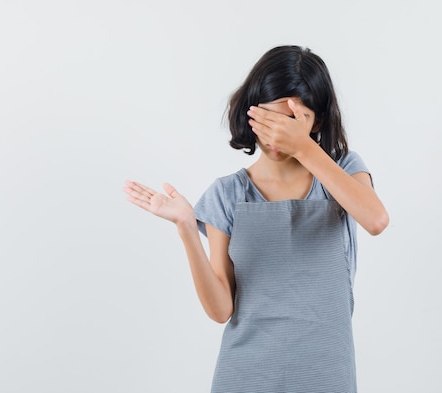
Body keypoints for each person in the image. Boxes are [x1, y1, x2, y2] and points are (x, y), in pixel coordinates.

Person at [123, 45, 389, 393]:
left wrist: (305, 147)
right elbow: (221, 309)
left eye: (292, 121)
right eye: (268, 119)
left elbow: (376, 220)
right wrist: (187, 228)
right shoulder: (227, 195)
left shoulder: (342, 172)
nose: (278, 135)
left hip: (327, 374)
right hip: (246, 376)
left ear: (318, 119)